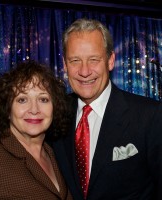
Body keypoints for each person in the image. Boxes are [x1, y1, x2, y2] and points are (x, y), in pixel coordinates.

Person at [51, 18, 162, 200]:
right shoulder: (54, 114)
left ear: (110, 61)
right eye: (75, 60)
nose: (84, 71)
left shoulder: (150, 116)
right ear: (64, 64)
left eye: (94, 59)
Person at [0, 60, 73, 200]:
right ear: (7, 109)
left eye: (43, 99)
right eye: (22, 100)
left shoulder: (58, 156)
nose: (34, 109)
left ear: (55, 108)